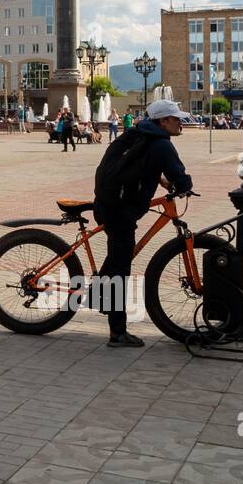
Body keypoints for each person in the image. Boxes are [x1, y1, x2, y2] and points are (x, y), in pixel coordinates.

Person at [93, 99, 194, 347]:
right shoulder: (161, 144)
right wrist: (184, 187)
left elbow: (137, 164)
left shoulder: (140, 134)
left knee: (119, 258)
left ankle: (98, 294)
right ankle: (117, 333)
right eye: (176, 118)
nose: (180, 122)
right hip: (120, 210)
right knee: (120, 269)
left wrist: (159, 180)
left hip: (110, 204)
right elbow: (180, 176)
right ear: (163, 121)